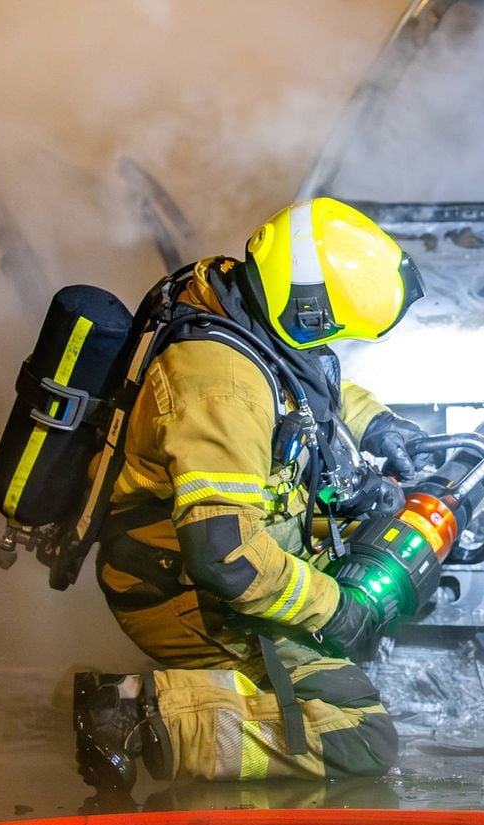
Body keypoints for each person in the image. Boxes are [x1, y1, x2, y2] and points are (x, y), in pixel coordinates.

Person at [73, 197, 436, 791]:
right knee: (359, 735)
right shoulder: (219, 388)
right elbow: (227, 557)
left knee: (376, 556)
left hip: (235, 550)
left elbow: (305, 381)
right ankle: (136, 712)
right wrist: (336, 610)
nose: (328, 339)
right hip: (186, 590)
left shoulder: (242, 301)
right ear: (305, 301)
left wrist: (377, 423)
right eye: (328, 326)